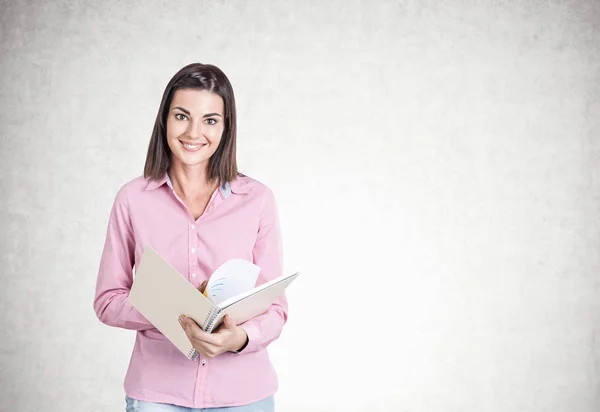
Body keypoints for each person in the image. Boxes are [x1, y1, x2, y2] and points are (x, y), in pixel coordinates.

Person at [93, 63, 288, 412]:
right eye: (182, 116)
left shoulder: (258, 200)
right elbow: (108, 300)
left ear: (226, 128)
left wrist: (238, 338)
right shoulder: (132, 199)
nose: (194, 132)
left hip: (243, 394)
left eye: (210, 120)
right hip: (157, 393)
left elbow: (275, 309)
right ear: (164, 120)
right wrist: (175, 311)